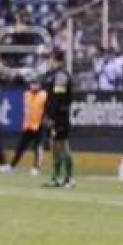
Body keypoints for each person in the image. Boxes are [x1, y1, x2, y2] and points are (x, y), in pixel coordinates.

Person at [44, 51, 75, 188]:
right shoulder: (54, 75)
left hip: (60, 115)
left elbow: (58, 98)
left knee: (63, 145)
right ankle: (56, 177)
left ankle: (69, 178)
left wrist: (52, 116)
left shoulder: (61, 76)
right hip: (55, 115)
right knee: (56, 146)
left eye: (51, 59)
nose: (49, 62)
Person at [5, 76, 46, 174]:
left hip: (39, 125)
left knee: (37, 147)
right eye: (32, 83)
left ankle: (36, 168)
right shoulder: (26, 94)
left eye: (35, 84)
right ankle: (12, 166)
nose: (33, 86)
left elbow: (46, 109)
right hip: (28, 125)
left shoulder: (44, 95)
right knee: (20, 147)